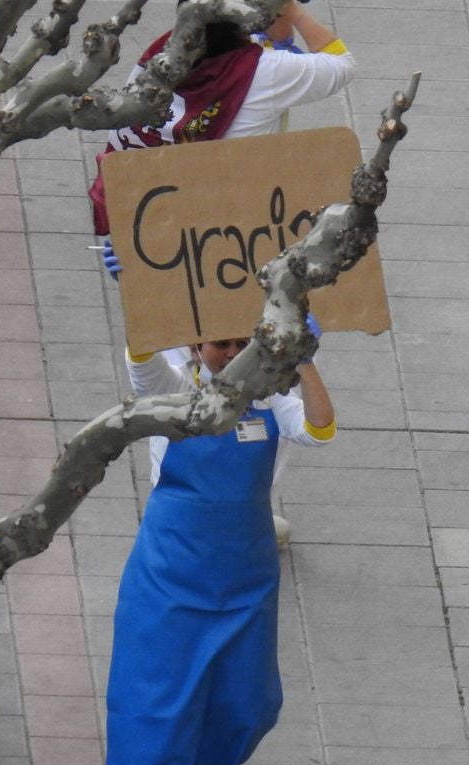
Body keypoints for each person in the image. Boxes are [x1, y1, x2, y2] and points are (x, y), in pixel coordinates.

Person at [92, 1, 352, 544]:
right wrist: (298, 16)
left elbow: (126, 146)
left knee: (185, 378)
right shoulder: (273, 71)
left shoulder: (160, 58)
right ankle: (191, 501)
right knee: (236, 381)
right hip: (247, 250)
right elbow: (340, 62)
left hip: (169, 249)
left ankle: (202, 497)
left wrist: (130, 259)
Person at [102, 321, 335, 765]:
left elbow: (320, 430)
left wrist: (302, 359)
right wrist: (143, 296)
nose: (231, 355)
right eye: (219, 345)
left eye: (240, 343)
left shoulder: (273, 395)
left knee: (243, 698)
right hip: (169, 571)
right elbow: (141, 360)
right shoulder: (172, 385)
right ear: (192, 346)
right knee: (162, 701)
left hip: (244, 573)